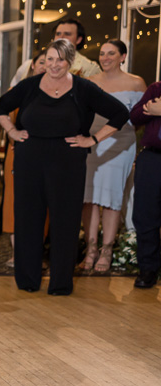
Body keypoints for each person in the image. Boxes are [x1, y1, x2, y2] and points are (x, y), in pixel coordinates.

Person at [0, 39, 128, 295]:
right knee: (28, 219)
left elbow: (120, 113)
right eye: (49, 59)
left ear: (70, 62)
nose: (53, 65)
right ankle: (28, 280)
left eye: (60, 60)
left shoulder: (84, 88)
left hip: (68, 163)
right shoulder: (30, 85)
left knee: (65, 222)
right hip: (29, 160)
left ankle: (61, 283)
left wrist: (93, 139)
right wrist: (11, 130)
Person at [80, 40, 146, 272]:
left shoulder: (136, 82)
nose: (105, 58)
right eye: (102, 54)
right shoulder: (89, 82)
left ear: (123, 57)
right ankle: (90, 249)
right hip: (92, 143)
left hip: (120, 144)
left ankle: (107, 251)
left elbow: (140, 118)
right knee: (89, 198)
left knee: (111, 196)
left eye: (111, 53)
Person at [1, 51, 47, 266]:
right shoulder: (18, 90)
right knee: (15, 202)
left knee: (43, 204)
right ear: (32, 66)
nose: (46, 66)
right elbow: (0, 110)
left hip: (46, 157)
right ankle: (17, 251)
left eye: (52, 62)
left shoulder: (59, 92)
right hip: (17, 152)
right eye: (42, 62)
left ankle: (38, 251)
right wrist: (12, 132)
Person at [131, 80, 161, 289]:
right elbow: (134, 116)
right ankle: (148, 269)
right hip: (152, 158)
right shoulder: (156, 89)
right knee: (145, 214)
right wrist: (151, 109)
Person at [9, 18, 99, 88]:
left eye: (67, 34)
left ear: (79, 39)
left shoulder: (90, 68)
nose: (61, 37)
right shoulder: (31, 63)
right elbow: (13, 90)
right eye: (58, 34)